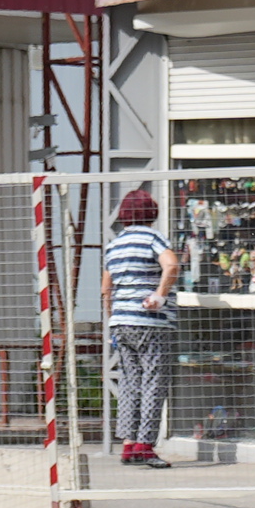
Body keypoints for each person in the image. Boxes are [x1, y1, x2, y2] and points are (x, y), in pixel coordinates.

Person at [102, 187, 179, 469]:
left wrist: (114, 317)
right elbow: (171, 266)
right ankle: (146, 445)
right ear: (152, 213)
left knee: (130, 382)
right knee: (153, 381)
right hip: (151, 322)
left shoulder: (116, 243)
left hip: (121, 323)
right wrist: (160, 294)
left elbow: (105, 288)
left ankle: (128, 444)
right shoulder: (153, 237)